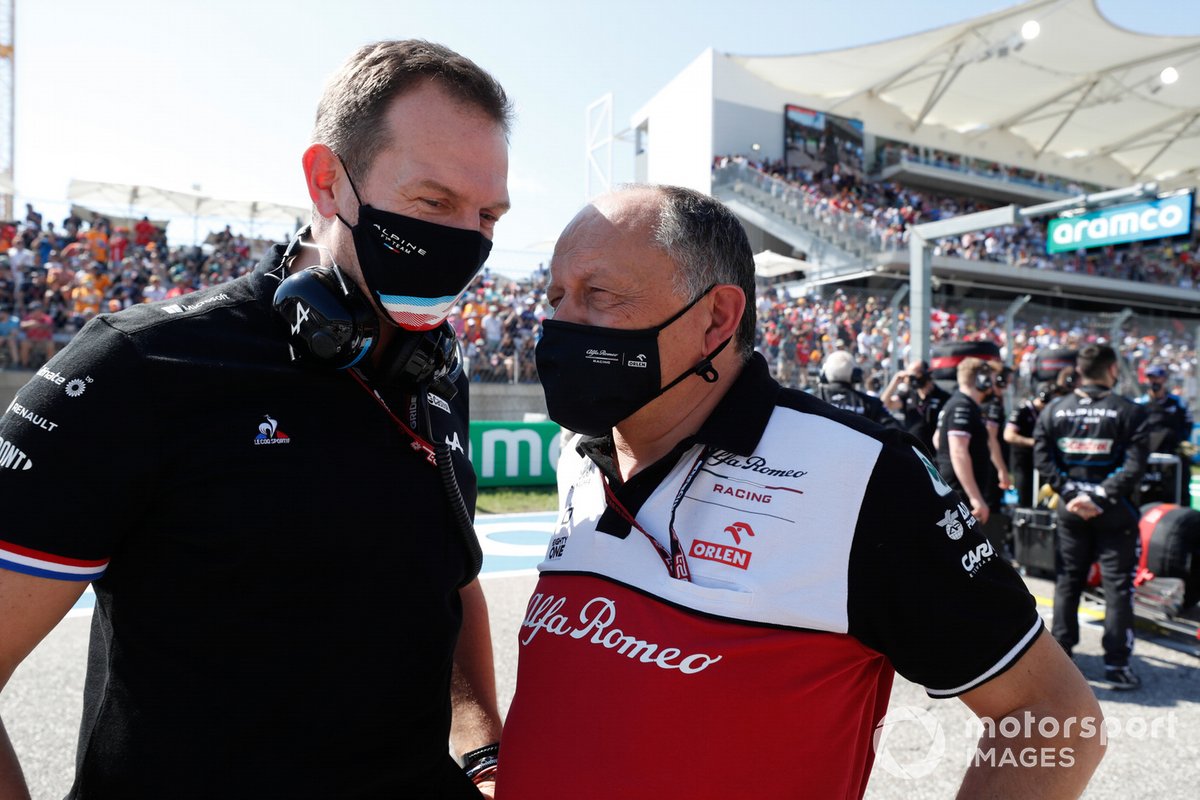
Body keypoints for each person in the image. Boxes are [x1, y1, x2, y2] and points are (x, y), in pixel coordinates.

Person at [0, 39, 511, 798]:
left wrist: (483, 752)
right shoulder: (137, 367)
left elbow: (449, 576)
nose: (465, 240)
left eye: (489, 214)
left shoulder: (437, 368)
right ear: (326, 180)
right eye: (432, 203)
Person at [498, 185, 1103, 799]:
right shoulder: (576, 454)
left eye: (597, 295)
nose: (560, 324)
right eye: (555, 297)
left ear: (715, 318)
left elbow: (1053, 718)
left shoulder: (864, 473)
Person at [1034, 344, 1150, 690]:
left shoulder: (1054, 409)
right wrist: (1098, 495)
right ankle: (1116, 666)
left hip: (1070, 510)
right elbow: (1135, 465)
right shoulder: (1129, 411)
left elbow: (1043, 459)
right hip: (1114, 511)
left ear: (1080, 370)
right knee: (1117, 588)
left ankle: (1062, 659)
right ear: (1113, 369)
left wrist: (1071, 493)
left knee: (1069, 582)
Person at [933, 358, 1003, 528]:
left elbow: (937, 439)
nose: (994, 385)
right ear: (981, 379)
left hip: (957, 487)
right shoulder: (962, 406)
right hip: (961, 492)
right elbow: (958, 452)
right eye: (991, 379)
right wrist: (976, 498)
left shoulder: (958, 403)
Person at [1136, 363, 1193, 508]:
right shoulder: (1139, 404)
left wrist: (1182, 443)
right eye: (1150, 377)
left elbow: (1188, 424)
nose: (1154, 381)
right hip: (1148, 459)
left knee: (1178, 493)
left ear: (1164, 379)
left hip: (1173, 458)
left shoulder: (1177, 402)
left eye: (1157, 377)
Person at [811, 349, 898, 427]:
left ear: (823, 374)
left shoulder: (811, 400)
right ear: (856, 374)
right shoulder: (870, 404)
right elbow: (896, 432)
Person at [883, 357, 950, 455]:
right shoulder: (908, 394)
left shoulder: (942, 396)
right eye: (910, 375)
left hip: (934, 453)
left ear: (926, 373)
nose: (911, 379)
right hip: (912, 451)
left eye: (915, 374)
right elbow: (885, 404)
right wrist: (895, 381)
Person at [1005, 381, 1054, 507]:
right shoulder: (1022, 410)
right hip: (1023, 462)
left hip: (1041, 461)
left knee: (1043, 497)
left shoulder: (1047, 413)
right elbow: (1008, 435)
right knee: (1024, 495)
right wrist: (1032, 442)